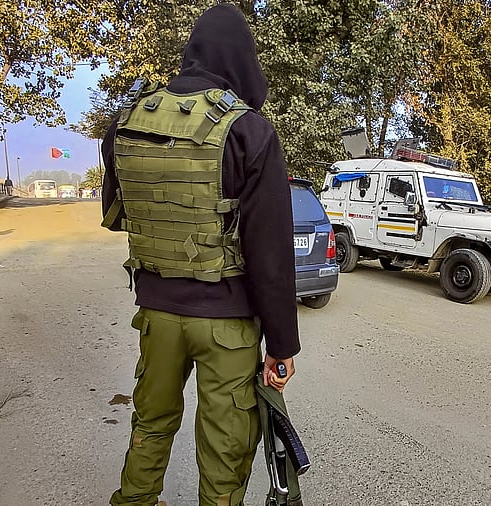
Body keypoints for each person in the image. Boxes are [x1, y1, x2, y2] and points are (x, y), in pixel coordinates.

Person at [100, 5, 300, 506]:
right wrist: (281, 345)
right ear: (241, 59)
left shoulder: (126, 120)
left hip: (157, 314)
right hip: (226, 322)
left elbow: (118, 212)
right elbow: (270, 252)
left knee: (150, 422)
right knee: (225, 446)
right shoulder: (249, 130)